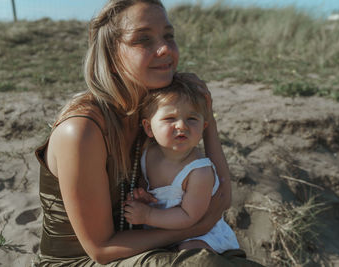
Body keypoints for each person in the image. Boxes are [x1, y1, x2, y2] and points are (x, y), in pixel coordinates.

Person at [35, 0, 264, 265]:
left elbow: (221, 198)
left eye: (169, 36)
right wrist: (192, 228)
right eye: (143, 40)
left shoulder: (158, 113)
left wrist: (207, 117)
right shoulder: (82, 130)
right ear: (110, 56)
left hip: (154, 243)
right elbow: (100, 250)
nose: (165, 48)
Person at [124, 77, 240, 254]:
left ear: (204, 127)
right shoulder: (149, 154)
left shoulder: (199, 171)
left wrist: (148, 215)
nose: (182, 125)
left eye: (192, 119)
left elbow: (189, 217)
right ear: (148, 128)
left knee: (190, 251)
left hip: (199, 235)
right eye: (170, 118)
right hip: (162, 231)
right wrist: (145, 197)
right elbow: (148, 187)